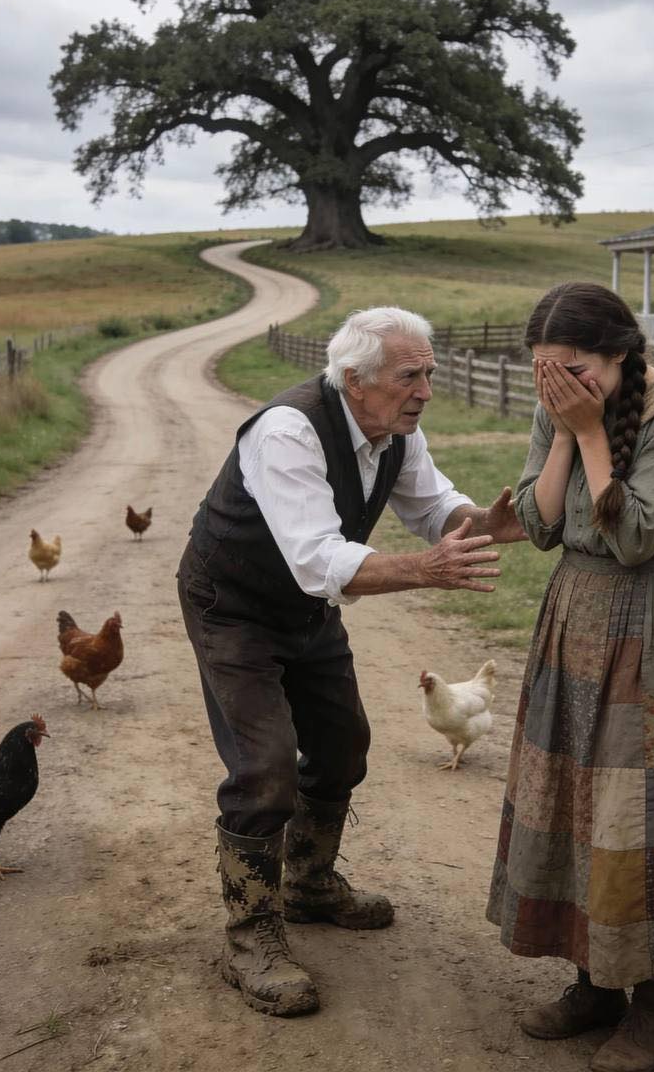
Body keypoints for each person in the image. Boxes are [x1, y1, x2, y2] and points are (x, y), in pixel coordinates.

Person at [177, 306, 524, 1019]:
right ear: (355, 380)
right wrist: (426, 570)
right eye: (410, 375)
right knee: (264, 768)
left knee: (343, 748)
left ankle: (307, 885)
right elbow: (318, 558)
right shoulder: (287, 431)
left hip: (306, 609)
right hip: (234, 606)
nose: (426, 388)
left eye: (428, 371)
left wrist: (494, 526)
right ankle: (250, 938)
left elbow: (436, 509)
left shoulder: (394, 432)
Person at [486, 283, 654, 1072]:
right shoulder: (562, 403)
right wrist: (569, 433)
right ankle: (594, 981)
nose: (559, 385)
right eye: (546, 371)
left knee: (649, 813)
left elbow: (638, 535)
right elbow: (540, 526)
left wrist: (586, 431)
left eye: (574, 370)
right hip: (574, 612)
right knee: (578, 800)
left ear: (619, 353)